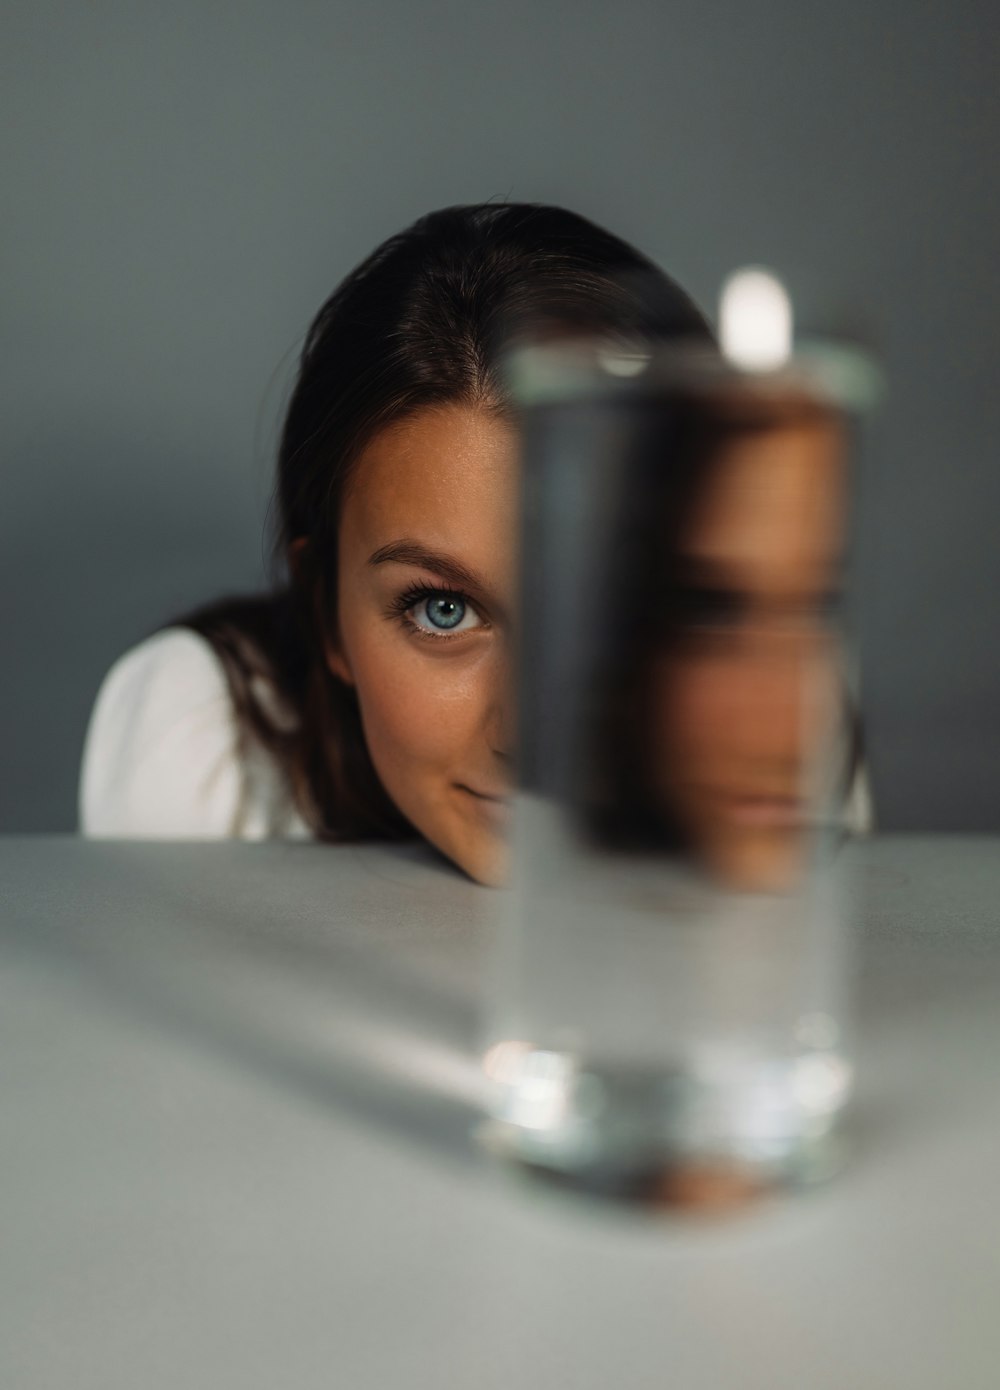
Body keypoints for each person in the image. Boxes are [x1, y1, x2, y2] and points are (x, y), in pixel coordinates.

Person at [78, 201, 718, 886]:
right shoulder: (205, 746)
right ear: (326, 612)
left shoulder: (787, 724)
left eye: (612, 605)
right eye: (441, 609)